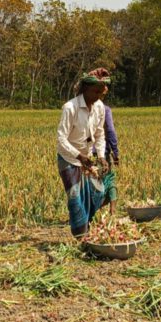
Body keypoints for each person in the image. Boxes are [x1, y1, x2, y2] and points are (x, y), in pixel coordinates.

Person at [56, 68, 110, 237]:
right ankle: (80, 235)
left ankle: (88, 227)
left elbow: (100, 133)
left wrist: (101, 156)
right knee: (75, 197)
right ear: (86, 89)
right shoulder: (70, 108)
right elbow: (61, 139)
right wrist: (79, 156)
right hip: (69, 158)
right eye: (96, 92)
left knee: (97, 192)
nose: (98, 97)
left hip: (87, 158)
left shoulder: (99, 107)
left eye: (101, 94)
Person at [100, 81, 121, 215]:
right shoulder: (105, 110)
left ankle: (93, 212)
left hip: (84, 154)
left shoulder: (81, 110)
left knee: (92, 183)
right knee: (109, 180)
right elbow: (111, 131)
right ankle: (113, 211)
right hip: (102, 153)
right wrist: (115, 152)